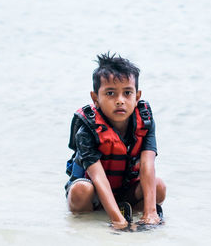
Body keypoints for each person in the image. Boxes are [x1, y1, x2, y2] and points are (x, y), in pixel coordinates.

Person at [65, 53, 166, 230]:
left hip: (125, 189)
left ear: (137, 97)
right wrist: (117, 220)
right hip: (92, 191)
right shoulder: (87, 129)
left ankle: (134, 216)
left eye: (127, 93)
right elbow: (98, 177)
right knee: (81, 191)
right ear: (95, 98)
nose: (120, 100)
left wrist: (150, 213)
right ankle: (95, 222)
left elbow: (147, 165)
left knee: (159, 186)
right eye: (110, 93)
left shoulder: (145, 120)